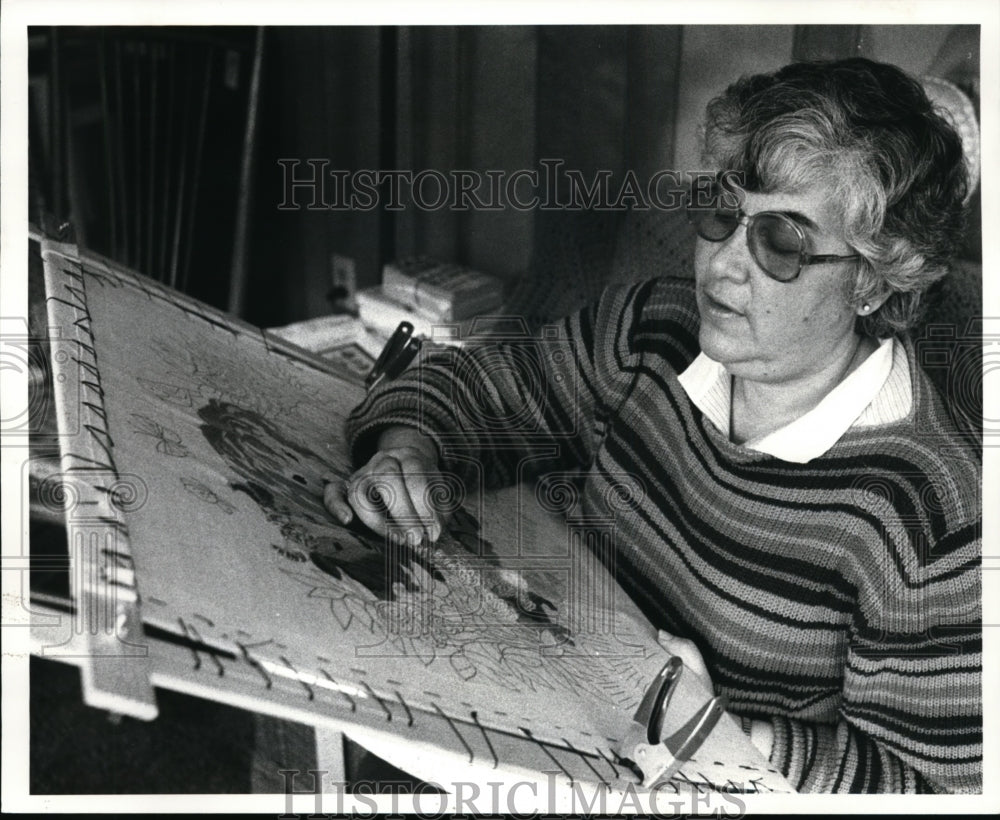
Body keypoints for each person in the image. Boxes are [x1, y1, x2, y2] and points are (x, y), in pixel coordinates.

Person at [324, 58, 981, 794]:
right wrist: (407, 449)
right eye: (723, 216)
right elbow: (490, 387)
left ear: (871, 281)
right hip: (547, 709)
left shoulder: (936, 517)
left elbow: (930, 792)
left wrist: (723, 729)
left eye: (782, 244)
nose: (722, 266)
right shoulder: (656, 329)